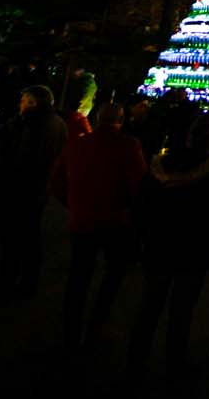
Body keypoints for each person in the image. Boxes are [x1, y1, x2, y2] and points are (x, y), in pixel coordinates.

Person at [128, 118, 209, 379]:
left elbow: (141, 204)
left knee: (149, 305)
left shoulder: (160, 165)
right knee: (182, 309)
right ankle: (175, 360)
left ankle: (136, 358)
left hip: (159, 244)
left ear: (188, 138)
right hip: (194, 250)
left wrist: (143, 237)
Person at [51, 101, 147, 347]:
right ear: (121, 120)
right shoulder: (127, 146)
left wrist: (73, 205)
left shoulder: (78, 145)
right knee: (112, 275)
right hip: (116, 221)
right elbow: (139, 186)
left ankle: (70, 328)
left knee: (79, 274)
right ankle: (97, 324)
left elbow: (58, 181)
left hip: (82, 219)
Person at [0, 85, 67, 296]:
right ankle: (28, 280)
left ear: (33, 103)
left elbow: (20, 158)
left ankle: (7, 281)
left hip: (22, 188)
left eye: (24, 101)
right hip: (41, 187)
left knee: (14, 237)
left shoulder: (31, 124)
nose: (20, 104)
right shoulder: (59, 123)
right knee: (31, 235)